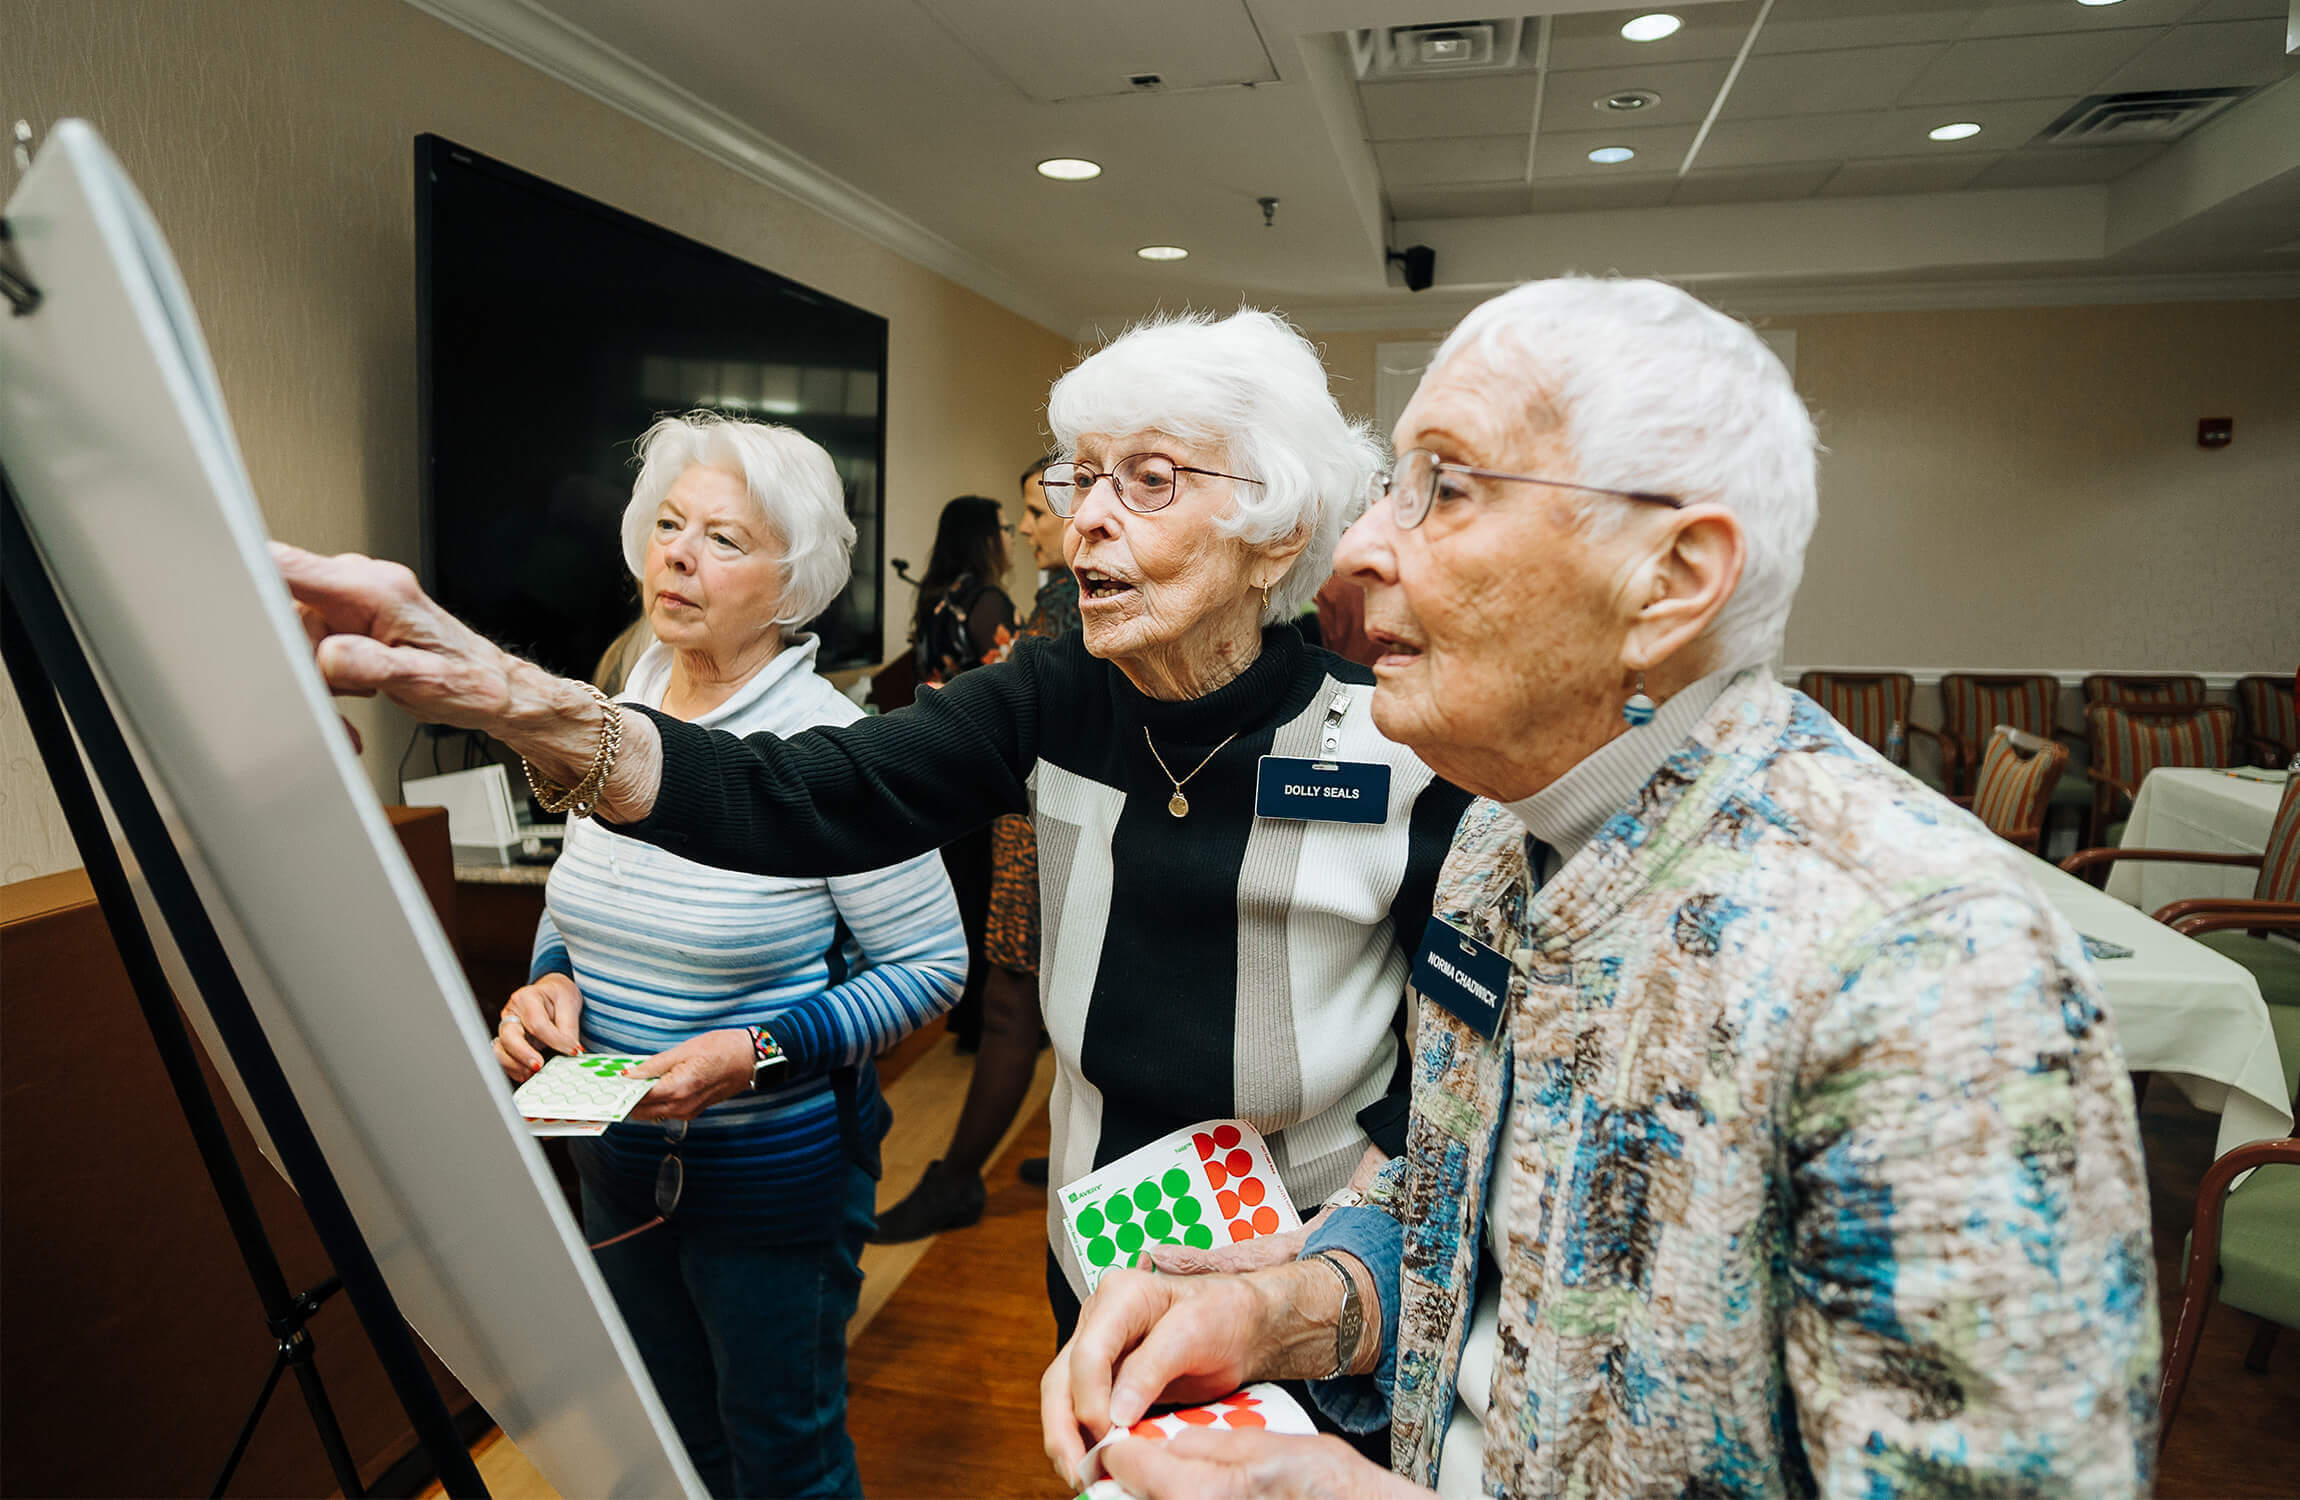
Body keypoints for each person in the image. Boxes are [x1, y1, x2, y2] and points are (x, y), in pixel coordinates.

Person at [1040, 278, 2158, 1499]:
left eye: (1445, 489)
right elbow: (1452, 1204)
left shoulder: (1927, 969)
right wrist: (1276, 1314)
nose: (1355, 551)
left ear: (1670, 578)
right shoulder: (1493, 845)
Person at [273, 308, 1475, 1359]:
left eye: (1146, 481)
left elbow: (1458, 1051)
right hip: (1105, 1237)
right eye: (1079, 479)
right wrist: (511, 695)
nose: (1082, 523)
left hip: (1315, 1245)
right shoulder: (1051, 696)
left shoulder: (1394, 747)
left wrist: (1343, 1243)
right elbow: (800, 793)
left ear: (1275, 533)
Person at [492, 412, 967, 1499]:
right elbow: (579, 897)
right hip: (610, 1160)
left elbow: (931, 969)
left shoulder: (833, 750)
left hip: (771, 1185)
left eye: (722, 539)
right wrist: (548, 974)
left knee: (781, 1461)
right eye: (666, 525)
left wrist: (752, 1051)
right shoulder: (617, 710)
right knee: (668, 1440)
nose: (677, 554)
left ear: (791, 582)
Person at [873, 454, 1078, 1240]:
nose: (1024, 528)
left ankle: (956, 1180)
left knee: (1008, 1006)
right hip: (1034, 827)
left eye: (1035, 510)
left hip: (1037, 833)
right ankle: (1059, 1154)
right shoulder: (1054, 600)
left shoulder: (1065, 606)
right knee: (1038, 1002)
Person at [910, 493, 1019, 1052]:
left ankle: (958, 1016)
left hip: (933, 755)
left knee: (959, 887)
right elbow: (1004, 687)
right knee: (983, 890)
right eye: (1003, 526)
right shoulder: (988, 600)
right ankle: (978, 1019)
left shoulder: (934, 599)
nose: (1011, 536)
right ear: (983, 538)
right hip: (978, 759)